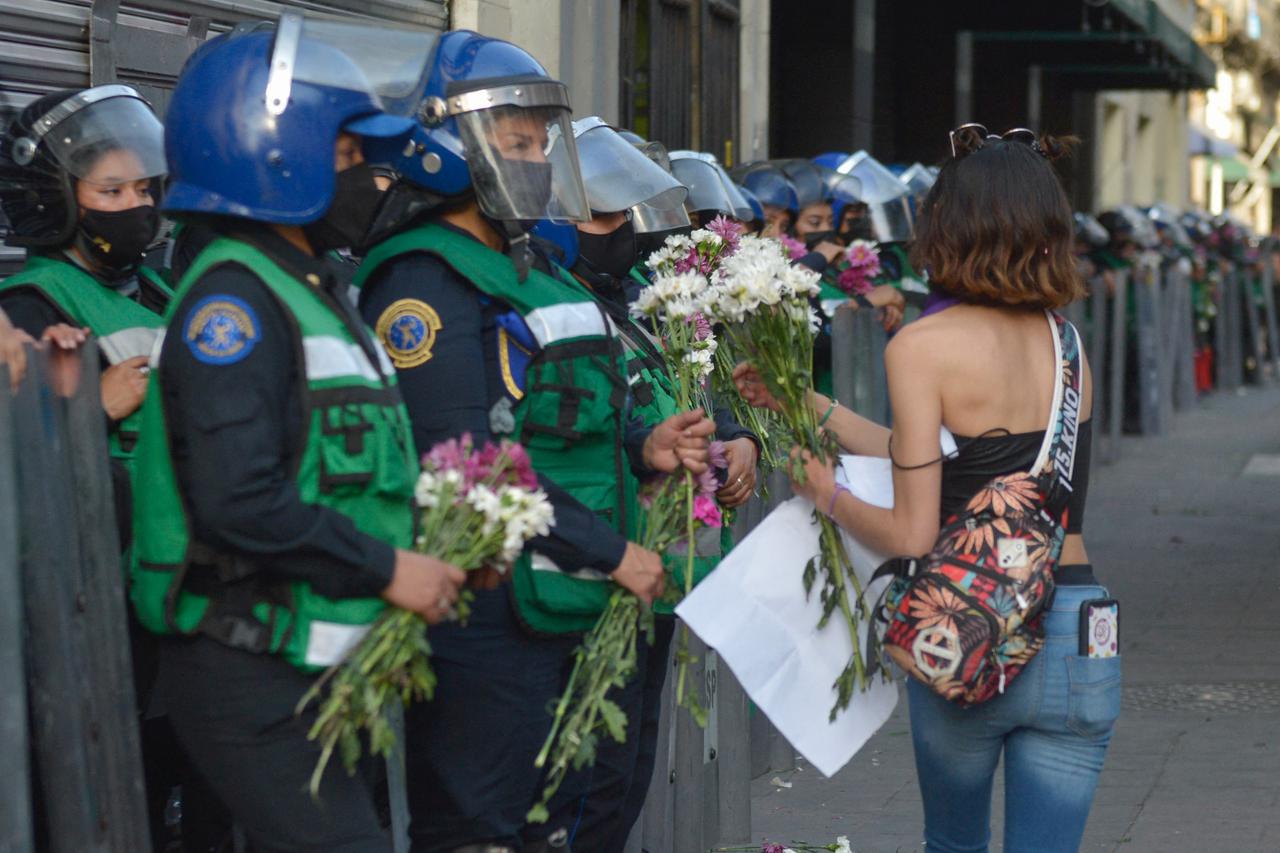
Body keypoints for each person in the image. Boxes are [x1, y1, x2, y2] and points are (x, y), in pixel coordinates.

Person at [352, 32, 714, 853]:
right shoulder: (423, 277)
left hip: (560, 601)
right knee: (481, 826)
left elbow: (564, 411)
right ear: (447, 149)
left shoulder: (533, 265)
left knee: (570, 818)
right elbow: (466, 464)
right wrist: (612, 552)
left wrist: (644, 440)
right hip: (488, 615)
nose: (541, 157)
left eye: (541, 140)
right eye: (518, 141)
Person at [127, 20, 465, 852]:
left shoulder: (308, 285)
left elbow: (347, 468)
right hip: (245, 669)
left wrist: (433, 548)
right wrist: (390, 568)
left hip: (305, 665)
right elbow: (239, 500)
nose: (373, 176)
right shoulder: (231, 307)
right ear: (276, 155)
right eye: (352, 154)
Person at [737, 126, 1117, 852]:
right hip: (1077, 625)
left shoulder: (921, 347)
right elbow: (977, 468)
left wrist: (826, 493)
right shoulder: (1067, 345)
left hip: (970, 628)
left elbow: (914, 532)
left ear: (948, 226)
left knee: (954, 841)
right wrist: (807, 406)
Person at [551, 116, 760, 851]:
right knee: (583, 788)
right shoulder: (547, 302)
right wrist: (646, 453)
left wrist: (739, 440)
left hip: (661, 564)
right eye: (600, 214)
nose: (622, 230)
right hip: (593, 568)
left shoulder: (640, 298)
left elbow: (694, 389)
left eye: (624, 212)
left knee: (626, 776)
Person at [0, 84, 171, 473]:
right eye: (112, 191)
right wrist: (95, 409)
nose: (137, 205)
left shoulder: (159, 289)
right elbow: (16, 470)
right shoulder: (27, 312)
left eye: (143, 189)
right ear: (54, 200)